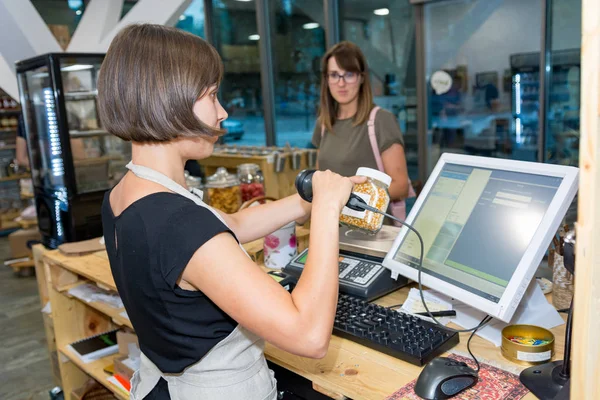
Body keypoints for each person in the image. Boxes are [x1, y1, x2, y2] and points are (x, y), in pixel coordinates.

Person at [98, 24, 363, 400]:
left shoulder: (127, 194)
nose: (222, 113)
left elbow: (229, 227)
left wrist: (309, 200)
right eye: (211, 96)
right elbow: (308, 334)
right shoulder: (180, 223)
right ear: (168, 99)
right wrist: (325, 213)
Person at [312, 41, 410, 205]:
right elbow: (320, 179)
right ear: (326, 79)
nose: (341, 83)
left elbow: (401, 187)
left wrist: (347, 194)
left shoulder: (381, 121)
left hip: (369, 228)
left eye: (349, 74)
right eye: (334, 75)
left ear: (362, 78)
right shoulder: (323, 124)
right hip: (329, 225)